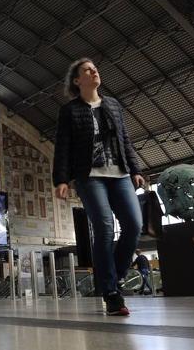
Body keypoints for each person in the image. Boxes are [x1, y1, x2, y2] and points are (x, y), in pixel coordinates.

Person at [53, 58, 145, 316]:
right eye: (87, 70)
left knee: (134, 225)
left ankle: (113, 278)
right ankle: (111, 293)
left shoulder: (114, 105)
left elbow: (125, 139)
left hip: (120, 174)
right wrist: (61, 179)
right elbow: (63, 147)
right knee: (104, 228)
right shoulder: (70, 110)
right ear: (76, 80)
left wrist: (135, 170)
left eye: (95, 69)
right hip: (89, 176)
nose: (94, 72)